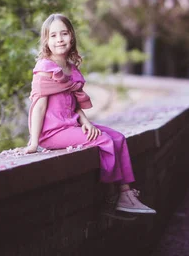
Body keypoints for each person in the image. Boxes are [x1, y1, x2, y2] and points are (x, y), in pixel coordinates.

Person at [25, 13, 156, 215]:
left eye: (64, 33)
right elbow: (39, 106)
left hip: (71, 124)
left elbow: (74, 102)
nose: (59, 39)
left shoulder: (70, 68)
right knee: (104, 141)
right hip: (52, 131)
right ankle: (112, 194)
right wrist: (34, 142)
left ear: (72, 36)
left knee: (118, 138)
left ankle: (126, 193)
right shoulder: (45, 68)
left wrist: (85, 121)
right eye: (53, 36)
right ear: (46, 41)